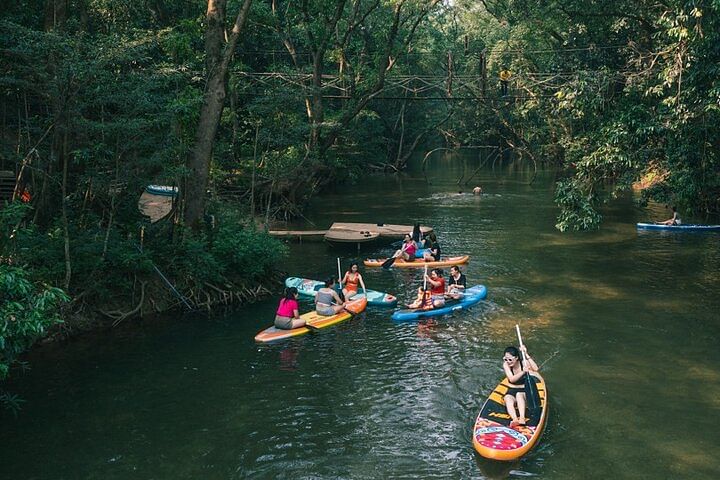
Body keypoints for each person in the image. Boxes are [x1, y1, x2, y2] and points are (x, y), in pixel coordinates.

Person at [502, 345, 539, 428]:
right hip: (512, 389)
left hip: (524, 389)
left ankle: (522, 418)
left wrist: (526, 354)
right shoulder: (506, 365)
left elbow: (536, 369)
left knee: (519, 395)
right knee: (507, 398)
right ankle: (515, 419)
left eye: (510, 359)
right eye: (506, 359)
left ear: (517, 358)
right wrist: (523, 372)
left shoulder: (523, 363)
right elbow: (511, 379)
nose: (508, 361)